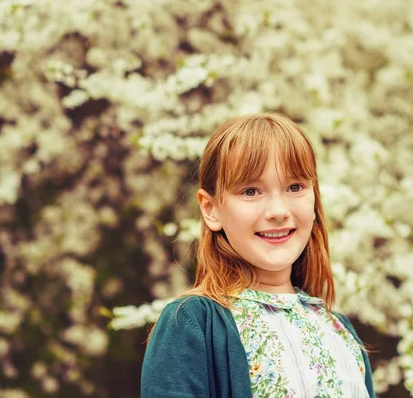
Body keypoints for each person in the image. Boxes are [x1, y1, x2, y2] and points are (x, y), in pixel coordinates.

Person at [141, 112, 375, 398]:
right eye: (251, 191)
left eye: (295, 187)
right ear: (210, 209)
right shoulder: (192, 323)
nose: (278, 211)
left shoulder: (339, 329)